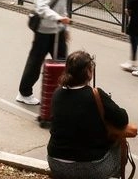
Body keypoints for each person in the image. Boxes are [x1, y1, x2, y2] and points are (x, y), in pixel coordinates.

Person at [47, 50, 131, 179]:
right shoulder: (95, 95)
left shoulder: (57, 93)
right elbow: (122, 119)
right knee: (120, 144)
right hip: (89, 168)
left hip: (55, 163)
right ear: (88, 72)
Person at [17, 0, 73, 105]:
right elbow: (41, 7)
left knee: (63, 62)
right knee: (35, 62)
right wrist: (59, 18)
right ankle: (24, 93)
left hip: (58, 30)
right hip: (44, 30)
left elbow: (63, 6)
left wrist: (65, 27)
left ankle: (62, 94)